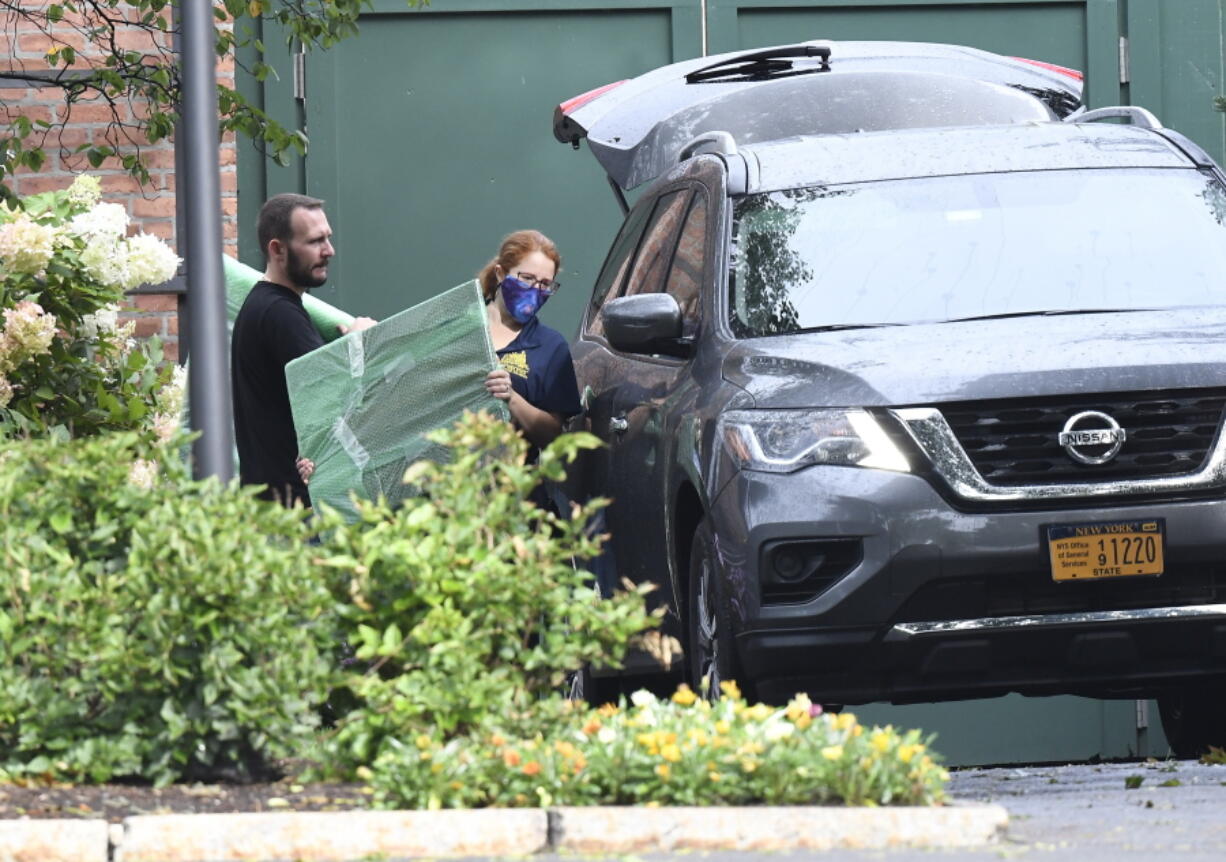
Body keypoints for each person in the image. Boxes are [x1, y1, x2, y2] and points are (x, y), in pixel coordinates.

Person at [231, 193, 374, 507]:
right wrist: (359, 343)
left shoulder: (268, 306)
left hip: (274, 504)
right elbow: (337, 396)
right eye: (314, 242)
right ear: (278, 249)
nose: (329, 251)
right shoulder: (280, 315)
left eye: (328, 238)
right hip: (291, 512)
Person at [480, 230, 581, 449]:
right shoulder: (461, 328)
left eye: (545, 284)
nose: (535, 291)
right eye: (526, 278)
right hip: (444, 476)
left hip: (512, 479)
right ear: (500, 274)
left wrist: (512, 398)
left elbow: (555, 436)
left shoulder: (551, 347)